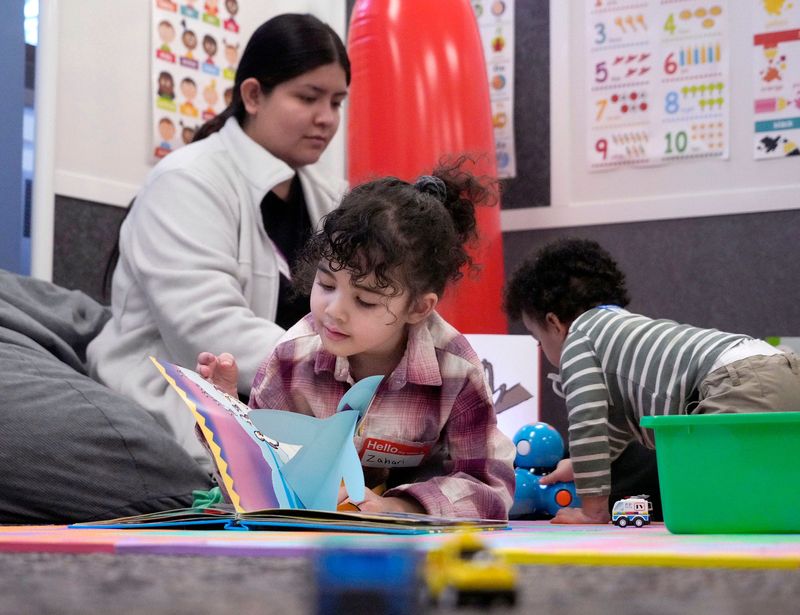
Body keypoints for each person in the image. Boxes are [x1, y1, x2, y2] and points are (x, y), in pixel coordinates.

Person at [88, 13, 351, 465]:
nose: (326, 119)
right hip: (174, 409)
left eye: (337, 102)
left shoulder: (330, 195)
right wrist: (343, 365)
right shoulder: (186, 180)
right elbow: (208, 331)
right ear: (253, 95)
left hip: (286, 406)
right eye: (308, 98)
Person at [197, 159, 516, 520]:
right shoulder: (291, 359)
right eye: (326, 285)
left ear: (418, 307)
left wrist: (397, 507)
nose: (334, 311)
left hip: (414, 539)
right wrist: (227, 420)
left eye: (365, 300)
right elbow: (254, 484)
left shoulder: (455, 370)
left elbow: (491, 485)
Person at [503, 237, 800, 524]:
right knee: (779, 483)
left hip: (735, 382)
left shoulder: (578, 339)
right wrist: (580, 467)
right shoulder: (619, 329)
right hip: (781, 365)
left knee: (712, 504)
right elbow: (617, 425)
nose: (542, 349)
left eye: (538, 339)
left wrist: (592, 509)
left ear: (554, 324)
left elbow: (587, 422)